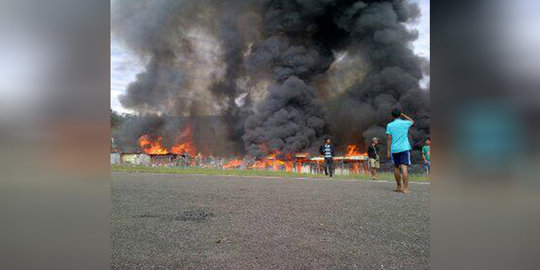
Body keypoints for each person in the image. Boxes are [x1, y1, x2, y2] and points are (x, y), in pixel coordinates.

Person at [386, 109, 414, 193]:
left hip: (394, 149)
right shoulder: (405, 123)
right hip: (404, 148)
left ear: (392, 116)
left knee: (396, 167)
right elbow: (412, 121)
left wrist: (388, 150)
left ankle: (399, 187)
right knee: (404, 168)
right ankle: (405, 188)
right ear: (399, 115)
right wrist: (404, 115)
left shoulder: (389, 125)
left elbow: (389, 139)